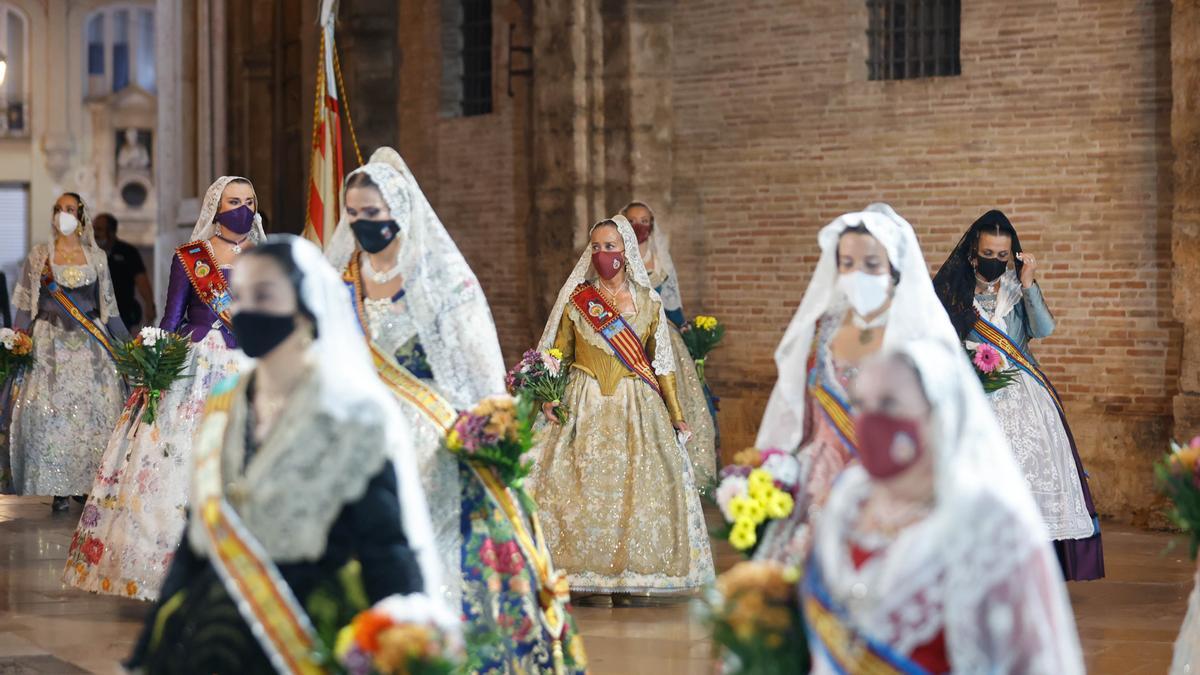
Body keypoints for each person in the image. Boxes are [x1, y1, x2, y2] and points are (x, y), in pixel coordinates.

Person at [126, 235, 438, 674]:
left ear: (307, 309)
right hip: (216, 638)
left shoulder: (348, 415)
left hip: (307, 636)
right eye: (242, 296)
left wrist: (408, 646)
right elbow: (198, 540)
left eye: (266, 295)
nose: (247, 309)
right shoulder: (224, 406)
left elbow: (386, 548)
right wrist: (147, 654)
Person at [328, 148, 586, 672]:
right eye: (353, 215)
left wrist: (487, 435)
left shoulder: (440, 279)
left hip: (430, 440)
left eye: (372, 214)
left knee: (436, 546)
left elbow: (476, 367)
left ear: (398, 211)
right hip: (359, 439)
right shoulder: (344, 280)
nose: (361, 224)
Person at [801, 338, 1085, 674]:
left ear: (940, 411)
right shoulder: (848, 498)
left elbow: (1036, 661)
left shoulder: (989, 524)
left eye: (889, 403)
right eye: (861, 404)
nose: (870, 420)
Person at [63, 178, 261, 601]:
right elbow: (172, 318)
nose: (242, 210)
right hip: (194, 366)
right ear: (215, 207)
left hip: (246, 364)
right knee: (176, 457)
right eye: (233, 202)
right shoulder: (191, 257)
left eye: (248, 202)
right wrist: (153, 366)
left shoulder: (267, 258)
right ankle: (168, 569)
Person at [752, 204, 961, 569]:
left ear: (894, 269)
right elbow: (798, 405)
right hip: (821, 479)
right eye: (847, 264)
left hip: (892, 482)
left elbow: (940, 417)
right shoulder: (824, 327)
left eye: (871, 264)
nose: (856, 274)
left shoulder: (914, 333)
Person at [528, 214, 715, 604]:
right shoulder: (578, 300)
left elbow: (660, 363)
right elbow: (558, 354)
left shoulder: (649, 302)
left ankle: (627, 576)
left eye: (609, 246)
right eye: (595, 247)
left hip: (636, 406)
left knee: (635, 490)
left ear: (626, 252)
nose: (601, 254)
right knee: (578, 490)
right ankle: (579, 574)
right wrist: (548, 394)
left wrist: (677, 413)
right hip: (582, 403)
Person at [932, 209, 1103, 582]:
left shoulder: (1016, 287)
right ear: (973, 254)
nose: (995, 262)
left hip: (1023, 394)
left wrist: (1028, 283)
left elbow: (1043, 329)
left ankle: (1026, 569)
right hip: (972, 395)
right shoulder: (953, 293)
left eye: (1002, 256)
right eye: (988, 255)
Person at [0, 193, 128, 511]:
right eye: (59, 208)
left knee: (94, 415)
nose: (64, 214)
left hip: (91, 347)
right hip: (48, 346)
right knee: (47, 414)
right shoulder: (40, 255)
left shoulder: (96, 258)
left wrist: (130, 348)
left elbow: (109, 309)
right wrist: (14, 343)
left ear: (81, 217)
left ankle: (87, 484)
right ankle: (56, 485)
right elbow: (22, 307)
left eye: (70, 209)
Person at [621, 201, 718, 487]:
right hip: (628, 336)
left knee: (679, 396)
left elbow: (672, 304)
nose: (640, 226)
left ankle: (680, 469)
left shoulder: (659, 258)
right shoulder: (618, 257)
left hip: (664, 336)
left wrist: (686, 328)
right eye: (634, 221)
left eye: (645, 220)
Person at [93, 213, 156, 330]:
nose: (95, 234)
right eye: (93, 229)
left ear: (111, 232)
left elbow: (141, 280)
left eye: (99, 229)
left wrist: (149, 305)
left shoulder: (128, 252)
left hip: (122, 313)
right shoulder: (89, 253)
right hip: (96, 312)